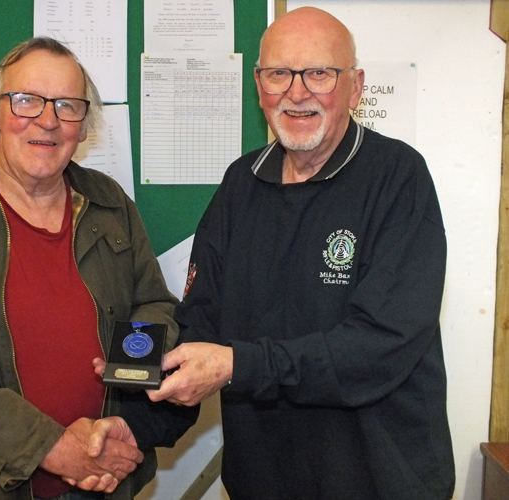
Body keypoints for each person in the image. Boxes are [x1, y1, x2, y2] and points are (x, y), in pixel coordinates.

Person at [146, 7, 455, 500]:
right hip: (261, 481)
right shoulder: (238, 185)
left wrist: (237, 365)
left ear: (355, 87)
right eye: (278, 74)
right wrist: (132, 427)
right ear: (258, 85)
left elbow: (379, 347)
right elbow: (200, 321)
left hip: (378, 481)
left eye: (318, 73)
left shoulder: (399, 178)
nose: (296, 91)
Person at [0, 37, 197, 500]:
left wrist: (123, 404)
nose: (48, 120)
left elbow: (151, 305)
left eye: (68, 105)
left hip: (102, 482)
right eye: (26, 101)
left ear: (83, 126)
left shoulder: (111, 204)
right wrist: (54, 449)